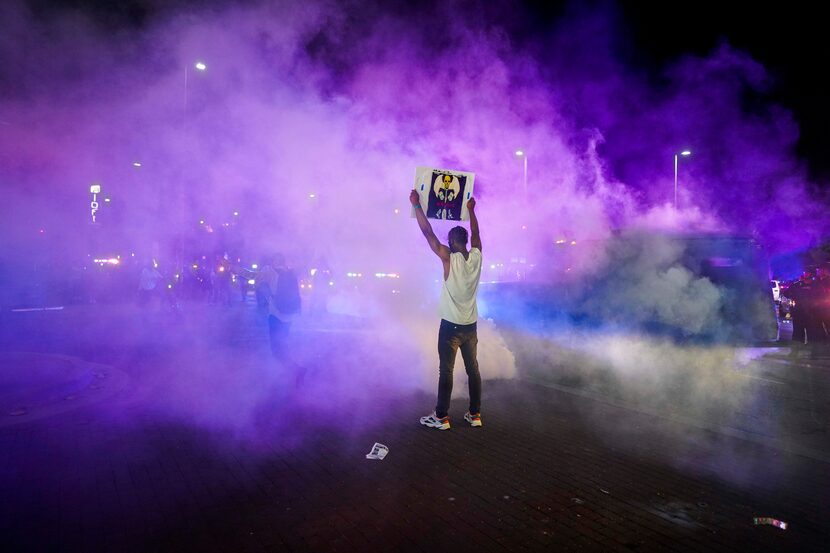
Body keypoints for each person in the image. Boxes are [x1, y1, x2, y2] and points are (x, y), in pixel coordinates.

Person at [410, 189, 483, 430]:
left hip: (450, 326)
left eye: (449, 241)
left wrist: (417, 206)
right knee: (473, 370)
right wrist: (471, 210)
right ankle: (475, 415)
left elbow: (427, 233)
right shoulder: (476, 257)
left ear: (451, 242)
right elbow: (477, 233)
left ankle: (441, 417)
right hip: (470, 326)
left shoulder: (448, 259)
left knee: (446, 371)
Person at [259, 254, 301, 358]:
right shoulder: (291, 273)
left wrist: (232, 268)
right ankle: (290, 370)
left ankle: (295, 370)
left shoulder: (270, 272)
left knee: (276, 348)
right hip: (289, 315)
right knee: (283, 343)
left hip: (275, 314)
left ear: (274, 261)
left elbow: (251, 275)